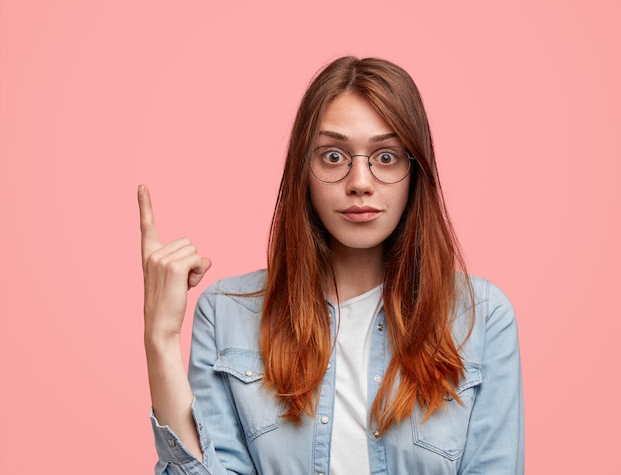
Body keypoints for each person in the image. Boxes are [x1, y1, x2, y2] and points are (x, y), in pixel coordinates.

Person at [139, 56, 524, 475]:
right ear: (303, 170)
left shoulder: (482, 317)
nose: (360, 181)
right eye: (334, 156)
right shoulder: (226, 313)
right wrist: (159, 338)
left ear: (416, 171)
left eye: (387, 157)